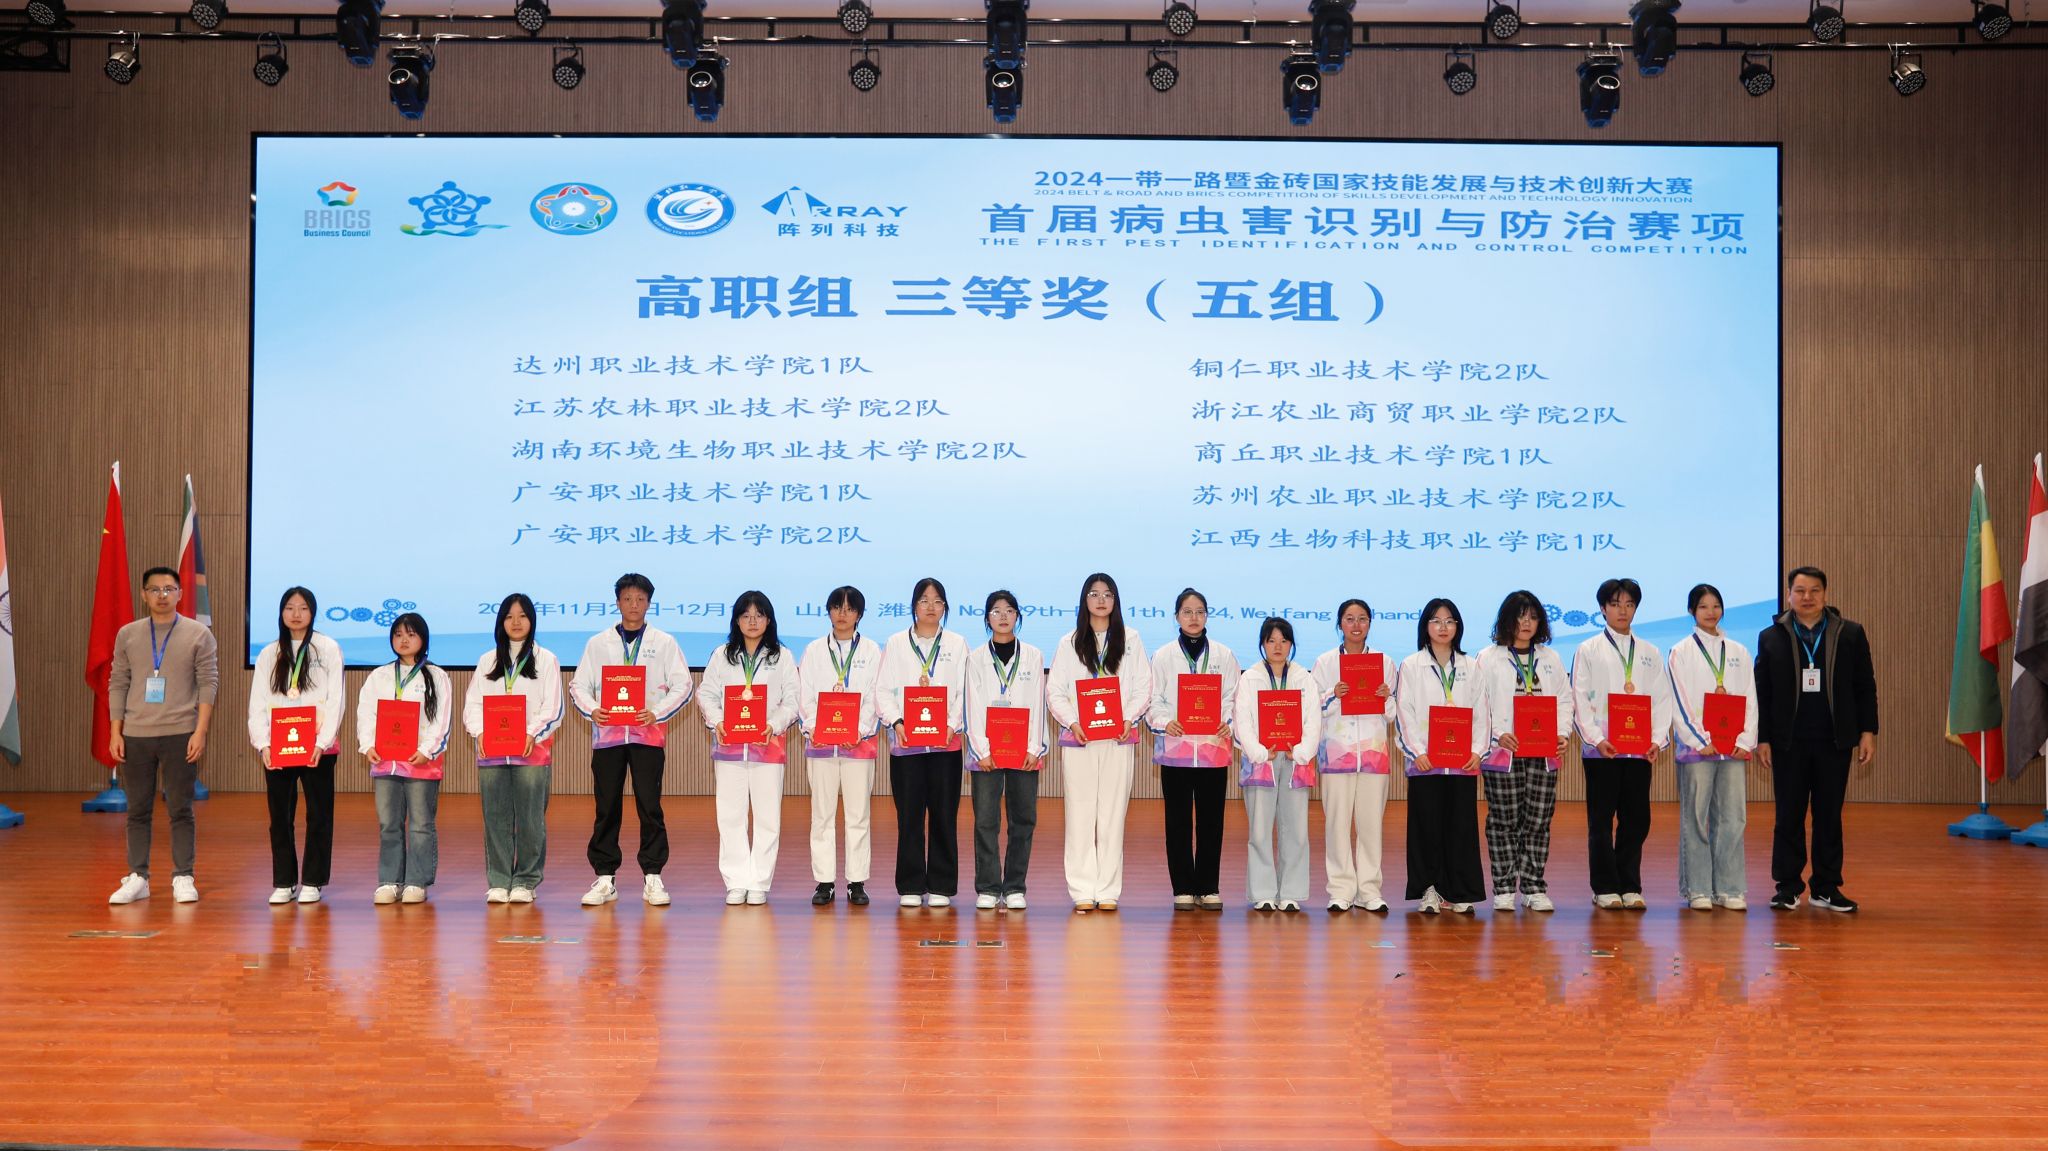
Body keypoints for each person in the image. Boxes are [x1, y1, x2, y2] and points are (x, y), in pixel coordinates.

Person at [1756, 566, 1878, 913]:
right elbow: (1763, 691)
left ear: (1825, 594)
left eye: (1814, 590)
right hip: (1788, 742)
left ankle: (1825, 887)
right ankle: (1787, 887)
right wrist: (1763, 738)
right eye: (1799, 591)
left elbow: (1864, 685)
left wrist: (1867, 732)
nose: (1807, 597)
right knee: (1788, 816)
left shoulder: (1849, 633)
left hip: (1834, 740)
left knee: (1829, 816)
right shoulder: (1771, 636)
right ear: (1788, 595)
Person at [568, 573, 693, 908]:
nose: (633, 605)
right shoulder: (599, 643)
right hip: (608, 738)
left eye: (640, 599)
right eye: (627, 599)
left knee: (649, 807)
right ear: (617, 602)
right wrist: (593, 710)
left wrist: (657, 712)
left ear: (649, 603)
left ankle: (653, 875)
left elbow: (683, 685)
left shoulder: (664, 642)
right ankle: (605, 877)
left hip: (647, 736)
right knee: (606, 807)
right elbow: (578, 686)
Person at [106, 566, 220, 905]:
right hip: (136, 734)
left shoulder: (198, 634)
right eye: (154, 589)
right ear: (144, 595)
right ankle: (137, 877)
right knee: (137, 810)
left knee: (180, 809)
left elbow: (208, 683)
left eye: (169, 589)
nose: (162, 595)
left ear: (180, 594)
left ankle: (183, 875)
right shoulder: (128, 634)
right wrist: (116, 731)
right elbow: (118, 682)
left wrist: (200, 731)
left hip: (180, 733)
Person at [1047, 572, 1153, 913]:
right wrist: (1072, 722)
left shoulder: (1131, 639)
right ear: (1085, 600)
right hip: (1081, 739)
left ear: (1115, 600)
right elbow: (1055, 692)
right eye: (1094, 594)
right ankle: (1082, 888)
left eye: (1107, 594)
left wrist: (1129, 718)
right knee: (1079, 814)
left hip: (1118, 739)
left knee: (1112, 814)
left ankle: (1107, 889)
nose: (1101, 600)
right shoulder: (1069, 642)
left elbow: (1143, 686)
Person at [1569, 578, 1674, 911]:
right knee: (1601, 820)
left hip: (1640, 750)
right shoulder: (1588, 649)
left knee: (1637, 818)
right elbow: (1579, 698)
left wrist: (1657, 740)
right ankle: (1604, 887)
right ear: (1603, 609)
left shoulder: (1650, 652)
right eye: (1615, 604)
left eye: (1629, 604)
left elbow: (1662, 699)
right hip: (1602, 751)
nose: (1622, 611)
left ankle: (1629, 884)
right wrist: (1596, 739)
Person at [462, 593, 564, 905]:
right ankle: (499, 880)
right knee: (495, 818)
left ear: (532, 621)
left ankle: (526, 880)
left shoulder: (546, 659)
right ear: (500, 622)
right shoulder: (487, 660)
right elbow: (472, 705)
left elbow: (553, 708)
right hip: (492, 753)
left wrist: (531, 733)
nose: (516, 622)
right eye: (509, 616)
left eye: (522, 616)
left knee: (531, 820)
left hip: (531, 753)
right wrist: (479, 731)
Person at [698, 590, 799, 907]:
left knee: (768, 817)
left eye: (759, 615)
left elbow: (792, 700)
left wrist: (774, 724)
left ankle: (759, 882)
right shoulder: (722, 655)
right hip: (730, 748)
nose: (752, 621)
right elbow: (706, 694)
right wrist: (717, 721)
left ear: (769, 620)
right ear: (736, 620)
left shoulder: (782, 656)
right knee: (730, 815)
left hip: (768, 747)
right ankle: (736, 881)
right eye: (745, 615)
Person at [246, 586, 345, 905]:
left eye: (303, 608)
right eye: (290, 608)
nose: (296, 614)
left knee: (319, 815)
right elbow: (257, 702)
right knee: (279, 816)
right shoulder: (269, 653)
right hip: (279, 745)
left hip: (317, 747)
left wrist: (323, 741)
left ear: (313, 612)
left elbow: (336, 699)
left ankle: (313, 881)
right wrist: (263, 744)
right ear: (281, 613)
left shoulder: (327, 648)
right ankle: (284, 881)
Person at [876, 577, 971, 909]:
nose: (931, 607)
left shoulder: (957, 644)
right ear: (913, 606)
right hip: (907, 746)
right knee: (909, 816)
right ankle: (911, 884)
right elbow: (882, 690)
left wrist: (952, 725)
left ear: (945, 608)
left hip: (946, 745)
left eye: (937, 601)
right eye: (924, 600)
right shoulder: (896, 643)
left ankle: (942, 884)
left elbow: (964, 691)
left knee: (944, 814)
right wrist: (897, 721)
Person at [1474, 591, 1571, 914]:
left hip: (1543, 753)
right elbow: (1478, 703)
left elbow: (1565, 699)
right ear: (1506, 620)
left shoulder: (1550, 658)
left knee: (1538, 820)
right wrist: (1496, 734)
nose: (1526, 623)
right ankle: (1503, 888)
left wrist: (1562, 733)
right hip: (1504, 752)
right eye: (1519, 616)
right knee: (1503, 820)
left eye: (1532, 617)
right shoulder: (1488, 658)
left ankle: (1533, 887)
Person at [1147, 588, 1240, 911]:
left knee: (1212, 821)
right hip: (1177, 749)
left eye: (1199, 611)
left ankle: (1209, 887)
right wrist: (1165, 722)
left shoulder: (1224, 655)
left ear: (1207, 615)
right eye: (1187, 612)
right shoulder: (1163, 656)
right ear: (1176, 616)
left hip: (1213, 750)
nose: (1193, 617)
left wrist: (1227, 721)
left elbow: (1233, 697)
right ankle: (1183, 888)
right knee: (1178, 822)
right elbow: (1153, 700)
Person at [1393, 598, 1488, 914]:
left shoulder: (1471, 666)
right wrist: (1417, 752)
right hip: (1427, 763)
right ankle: (1429, 890)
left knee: (1461, 828)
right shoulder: (1411, 665)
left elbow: (1482, 712)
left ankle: (1458, 892)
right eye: (1436, 621)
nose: (1443, 627)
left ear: (1458, 626)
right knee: (1426, 828)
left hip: (1462, 763)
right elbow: (1404, 711)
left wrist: (1477, 751)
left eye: (1449, 621)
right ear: (1426, 626)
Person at [1668, 583, 1758, 912]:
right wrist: (1699, 739)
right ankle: (1698, 888)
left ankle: (1730, 888)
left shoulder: (1738, 651)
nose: (1711, 612)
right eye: (1703, 606)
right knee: (1695, 817)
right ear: (1691, 611)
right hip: (1698, 750)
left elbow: (1750, 697)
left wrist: (1745, 739)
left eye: (1716, 605)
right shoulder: (1680, 652)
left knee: (1733, 817)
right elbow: (1679, 700)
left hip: (1732, 748)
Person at [356, 612, 453, 905]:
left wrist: (426, 750)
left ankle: (417, 881)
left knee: (421, 824)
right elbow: (366, 713)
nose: (404, 640)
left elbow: (441, 720)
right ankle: (389, 880)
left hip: (421, 762)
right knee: (389, 823)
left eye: (410, 634)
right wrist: (367, 745)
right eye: (398, 635)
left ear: (423, 638)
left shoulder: (437, 676)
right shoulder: (380, 676)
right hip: (385, 762)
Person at [797, 585, 882, 907]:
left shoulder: (872, 650)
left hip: (858, 745)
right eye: (836, 607)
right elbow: (804, 696)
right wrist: (814, 728)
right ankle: (825, 881)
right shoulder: (814, 650)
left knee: (858, 815)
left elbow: (875, 695)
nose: (842, 614)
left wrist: (858, 731)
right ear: (829, 612)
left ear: (859, 614)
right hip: (821, 745)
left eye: (849, 608)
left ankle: (856, 882)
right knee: (822, 814)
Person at [1310, 598, 1395, 913]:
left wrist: (1386, 697)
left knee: (1371, 825)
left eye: (1362, 619)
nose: (1356, 625)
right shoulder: (1325, 662)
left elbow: (1392, 714)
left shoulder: (1385, 662)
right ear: (1340, 624)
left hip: (1373, 754)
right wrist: (1333, 694)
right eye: (1349, 618)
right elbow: (1313, 708)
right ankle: (1341, 889)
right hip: (1337, 755)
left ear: (1370, 623)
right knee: (1337, 824)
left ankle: (1369, 890)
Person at [965, 590, 1048, 910]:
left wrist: (1034, 747)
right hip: (986, 752)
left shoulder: (1033, 656)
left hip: (1024, 751)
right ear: (987, 618)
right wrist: (981, 749)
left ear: (1018, 617)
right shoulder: (975, 658)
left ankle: (1014, 887)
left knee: (1023, 819)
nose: (1003, 616)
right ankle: (988, 887)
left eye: (1010, 610)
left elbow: (1038, 703)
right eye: (996, 611)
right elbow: (972, 704)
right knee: (986, 820)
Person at [1233, 617, 1322, 912]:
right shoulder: (1250, 678)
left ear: (1291, 644)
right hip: (1262, 761)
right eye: (1271, 641)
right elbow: (1242, 720)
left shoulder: (1303, 677)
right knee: (1259, 830)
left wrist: (1302, 751)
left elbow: (1314, 719)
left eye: (1284, 640)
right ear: (1262, 644)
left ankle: (1291, 892)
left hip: (1296, 762)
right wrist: (1259, 752)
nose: (1278, 646)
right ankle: (1263, 893)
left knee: (1295, 829)